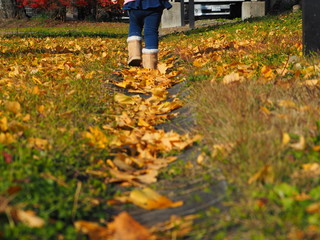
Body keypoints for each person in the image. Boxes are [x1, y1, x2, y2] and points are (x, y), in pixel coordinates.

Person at [123, 0, 172, 69]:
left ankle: (135, 53)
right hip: (155, 4)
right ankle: (150, 65)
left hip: (135, 4)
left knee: (135, 26)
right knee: (151, 32)